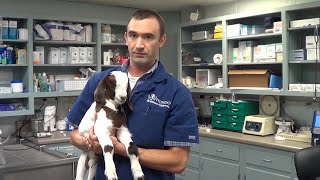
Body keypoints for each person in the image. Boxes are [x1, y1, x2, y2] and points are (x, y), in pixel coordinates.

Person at [67, 9, 199, 180]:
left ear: (162, 40)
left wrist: (120, 148)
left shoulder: (177, 93)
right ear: (125, 38)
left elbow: (178, 161)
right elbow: (74, 135)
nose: (139, 45)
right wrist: (91, 142)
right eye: (133, 35)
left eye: (148, 37)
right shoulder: (101, 81)